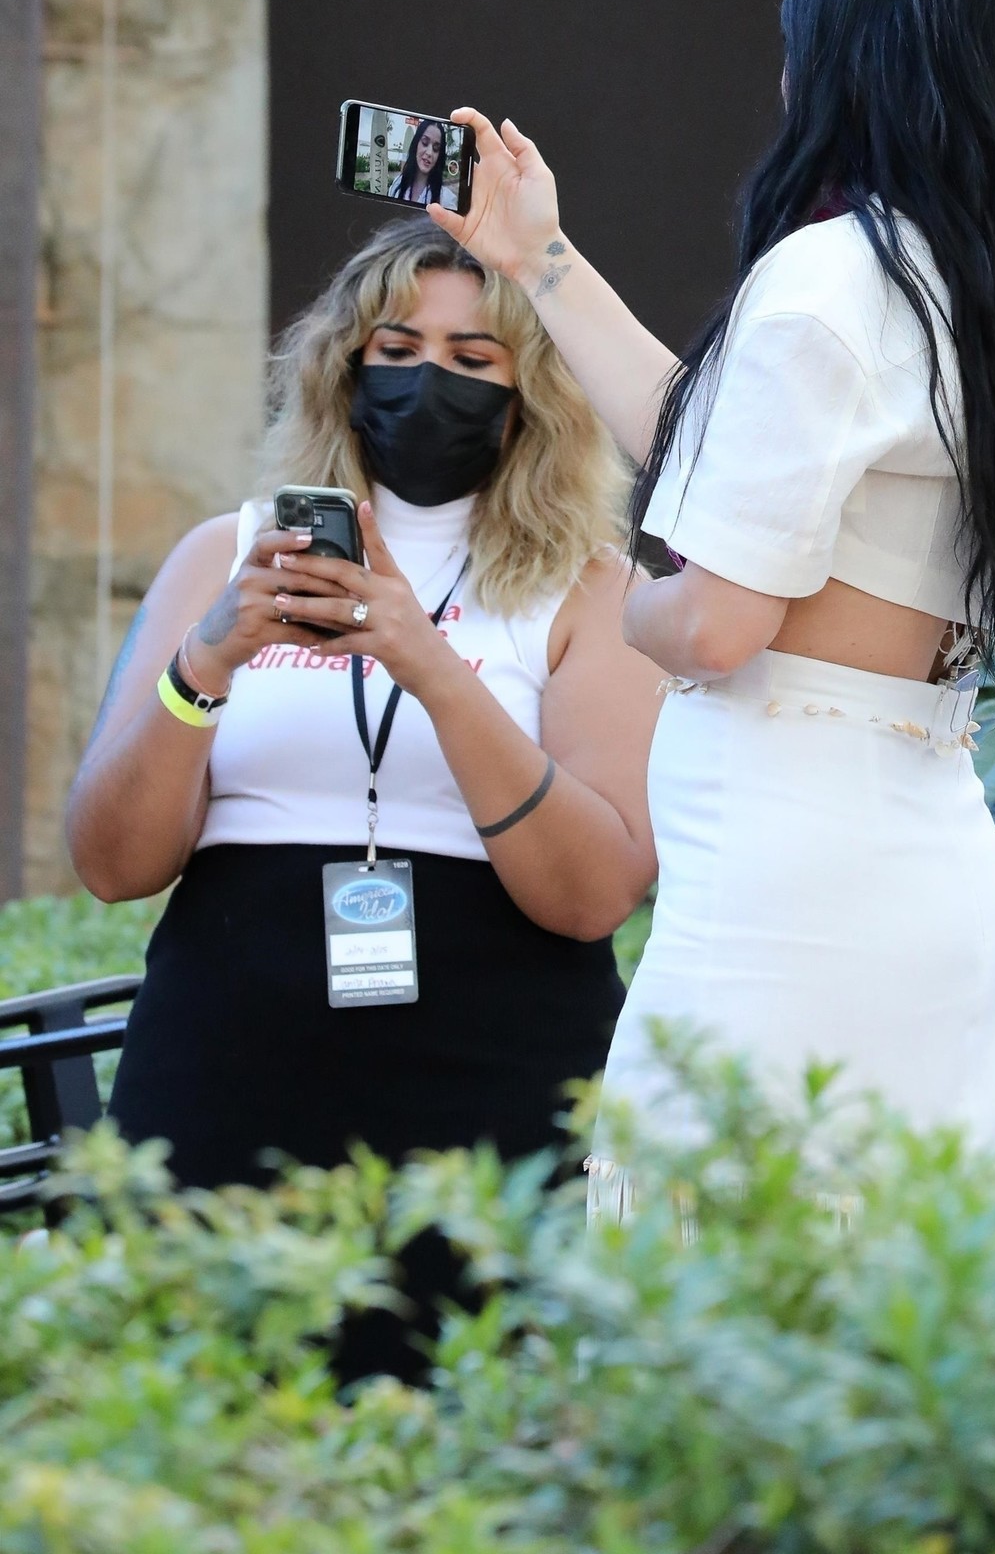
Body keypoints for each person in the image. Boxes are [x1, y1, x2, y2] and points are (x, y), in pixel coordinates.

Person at [427, 0, 995, 1209]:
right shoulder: (978, 289)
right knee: (887, 1306)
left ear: (843, 61)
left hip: (795, 901)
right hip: (922, 870)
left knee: (702, 1280)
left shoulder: (828, 278)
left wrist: (629, 606)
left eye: (798, 44)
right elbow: (721, 451)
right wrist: (535, 255)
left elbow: (717, 623)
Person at [66, 215, 663, 1372]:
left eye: (471, 358)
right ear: (342, 368)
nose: (425, 382)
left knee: (472, 1414)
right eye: (394, 350)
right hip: (227, 1058)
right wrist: (205, 662)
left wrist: (429, 665)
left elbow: (594, 893)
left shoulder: (593, 590)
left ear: (531, 394)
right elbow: (110, 861)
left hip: (494, 1076)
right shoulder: (224, 554)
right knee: (211, 1397)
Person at [390, 118, 457, 209]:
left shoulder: (446, 199)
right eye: (425, 142)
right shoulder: (397, 183)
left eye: (436, 148)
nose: (429, 152)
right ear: (416, 143)